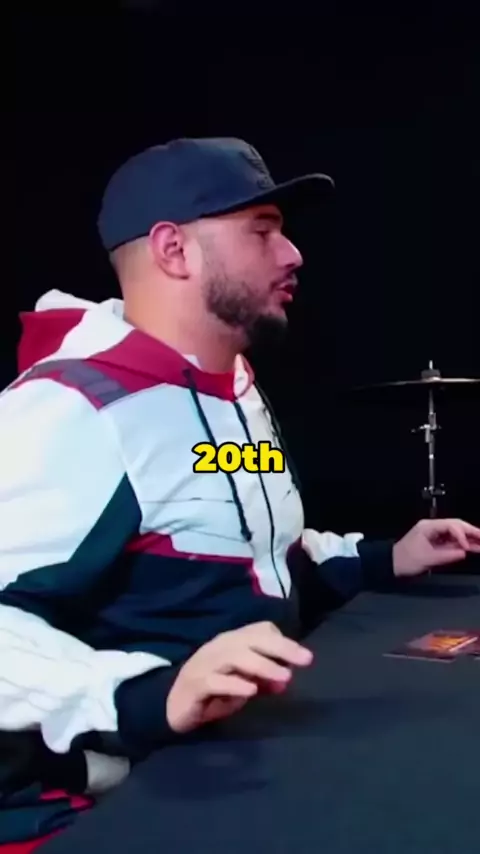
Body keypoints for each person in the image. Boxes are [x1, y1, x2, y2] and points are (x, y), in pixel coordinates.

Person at [1, 137, 480, 813]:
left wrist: (382, 558)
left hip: (252, 748)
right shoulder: (72, 409)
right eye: (262, 231)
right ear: (174, 250)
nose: (293, 254)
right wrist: (144, 695)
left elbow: (255, 543)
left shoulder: (235, 387)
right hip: (123, 801)